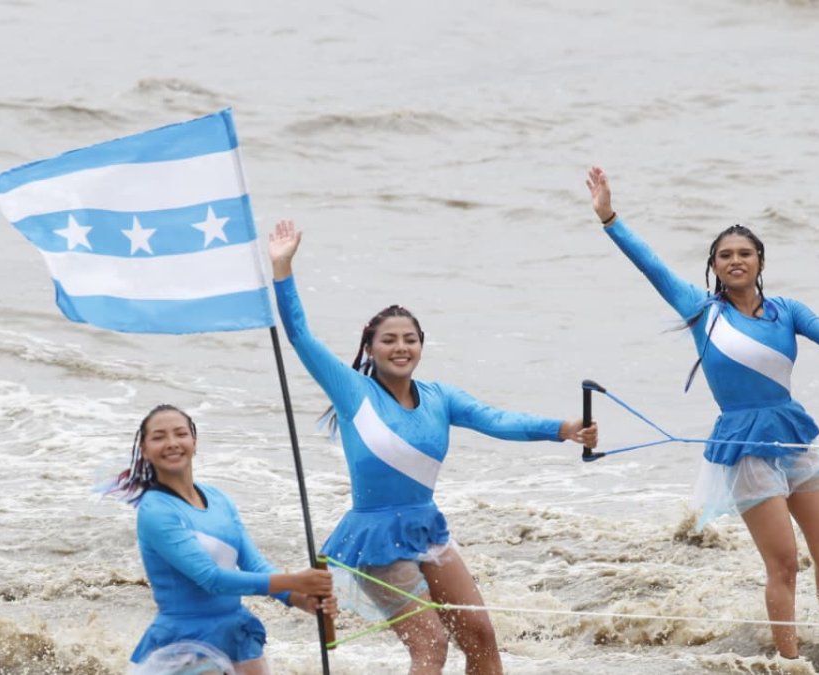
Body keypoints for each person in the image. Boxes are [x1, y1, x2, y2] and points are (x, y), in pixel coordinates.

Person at [585, 166, 819, 659]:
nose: (735, 260)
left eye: (745, 253)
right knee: (784, 565)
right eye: (725, 255)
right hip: (745, 446)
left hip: (793, 435)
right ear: (714, 266)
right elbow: (650, 264)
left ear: (760, 261)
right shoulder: (701, 310)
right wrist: (609, 217)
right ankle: (789, 662)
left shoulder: (787, 310)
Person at [268, 219, 598, 675]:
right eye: (389, 340)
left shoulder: (441, 396)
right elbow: (299, 335)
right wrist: (282, 268)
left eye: (410, 339)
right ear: (370, 349)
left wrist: (562, 428)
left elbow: (496, 419)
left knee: (481, 638)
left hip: (428, 529)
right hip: (377, 540)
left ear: (421, 345)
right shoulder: (352, 391)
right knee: (431, 646)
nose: (400, 347)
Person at [109, 404, 336, 675]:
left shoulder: (219, 499)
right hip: (184, 643)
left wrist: (299, 598)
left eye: (180, 434)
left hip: (234, 633)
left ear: (194, 441)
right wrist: (295, 581)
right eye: (159, 437)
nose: (172, 443)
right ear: (145, 450)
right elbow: (212, 579)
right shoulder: (155, 510)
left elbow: (255, 565)